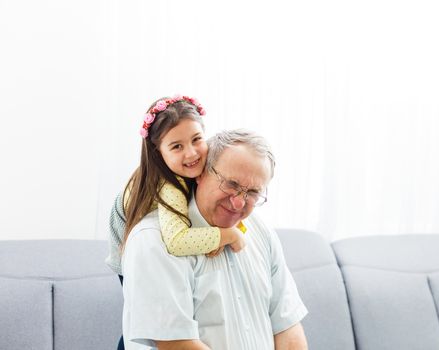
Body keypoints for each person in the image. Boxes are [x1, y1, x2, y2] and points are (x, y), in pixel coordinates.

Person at [121, 129, 309, 349]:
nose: (239, 202)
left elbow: (287, 326)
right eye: (231, 184)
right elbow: (177, 344)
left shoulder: (260, 229)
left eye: (253, 193)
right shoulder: (153, 240)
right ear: (200, 173)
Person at [105, 95, 246, 350]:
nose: (191, 153)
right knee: (148, 317)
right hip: (127, 253)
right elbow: (177, 241)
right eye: (177, 147)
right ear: (158, 151)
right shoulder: (168, 186)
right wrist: (227, 235)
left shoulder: (203, 166)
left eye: (196, 139)